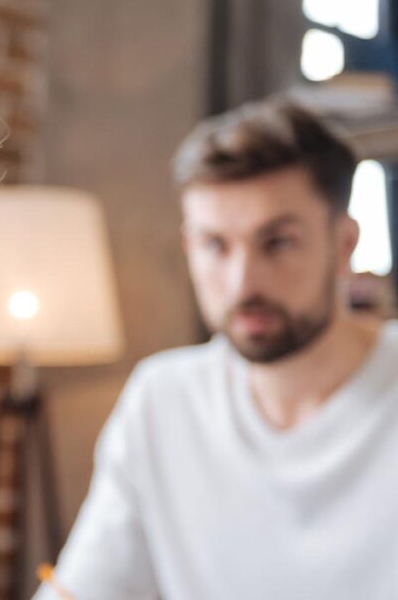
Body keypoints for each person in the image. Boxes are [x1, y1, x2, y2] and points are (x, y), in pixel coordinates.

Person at [36, 100, 398, 600]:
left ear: (344, 244)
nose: (243, 282)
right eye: (216, 245)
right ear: (189, 247)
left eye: (278, 242)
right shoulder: (163, 400)